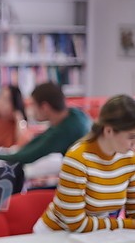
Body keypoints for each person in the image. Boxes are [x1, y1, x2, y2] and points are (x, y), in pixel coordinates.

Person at [34, 94, 135, 233]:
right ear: (109, 130)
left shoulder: (129, 159)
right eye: (131, 137)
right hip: (57, 235)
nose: (133, 144)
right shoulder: (77, 158)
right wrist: (122, 224)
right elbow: (76, 224)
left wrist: (123, 224)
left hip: (98, 237)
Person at [0, 81, 91, 165]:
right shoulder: (74, 114)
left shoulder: (66, 131)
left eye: (33, 104)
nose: (30, 109)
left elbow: (27, 157)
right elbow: (42, 138)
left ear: (44, 107)